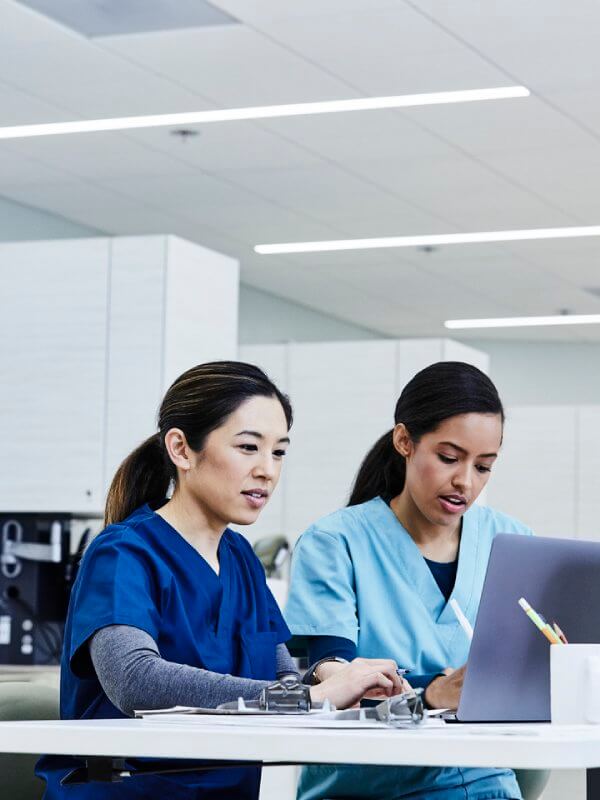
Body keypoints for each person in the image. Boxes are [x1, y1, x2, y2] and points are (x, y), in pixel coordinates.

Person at [36, 361, 405, 800]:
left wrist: (338, 678)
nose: (268, 470)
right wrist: (311, 697)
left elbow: (281, 678)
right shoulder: (123, 553)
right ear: (182, 449)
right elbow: (134, 680)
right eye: (249, 447)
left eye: (279, 451)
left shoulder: (240, 558)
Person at [285, 361, 533, 800]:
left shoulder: (510, 542)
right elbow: (332, 682)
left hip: (488, 784)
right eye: (449, 458)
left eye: (484, 466)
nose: (465, 482)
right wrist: (433, 692)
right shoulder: (335, 543)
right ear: (404, 441)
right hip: (369, 786)